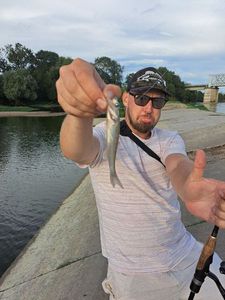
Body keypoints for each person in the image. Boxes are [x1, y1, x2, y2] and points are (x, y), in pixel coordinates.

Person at [56, 58, 225, 300]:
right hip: (131, 275)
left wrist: (189, 188)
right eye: (142, 98)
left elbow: (177, 165)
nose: (149, 108)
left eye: (157, 102)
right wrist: (78, 115)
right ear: (125, 99)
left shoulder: (169, 139)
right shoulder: (104, 134)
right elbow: (76, 149)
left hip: (184, 255)